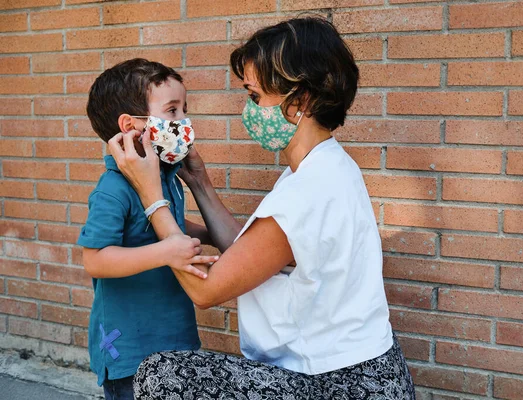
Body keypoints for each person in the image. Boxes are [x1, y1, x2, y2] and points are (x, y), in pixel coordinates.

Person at [110, 18, 415, 399]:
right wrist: (200, 181)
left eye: (255, 97)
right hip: (359, 374)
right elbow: (247, 254)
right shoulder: (326, 166)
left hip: (338, 385)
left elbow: (206, 291)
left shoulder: (309, 190)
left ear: (299, 102)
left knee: (162, 375)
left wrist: (151, 195)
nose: (248, 109)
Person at [77, 58, 218, 400]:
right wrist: (166, 252)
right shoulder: (113, 189)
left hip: (177, 338)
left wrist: (210, 235)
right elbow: (95, 259)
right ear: (131, 127)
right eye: (172, 111)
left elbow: (164, 227)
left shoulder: (166, 178)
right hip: (132, 353)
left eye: (185, 109)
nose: (183, 121)